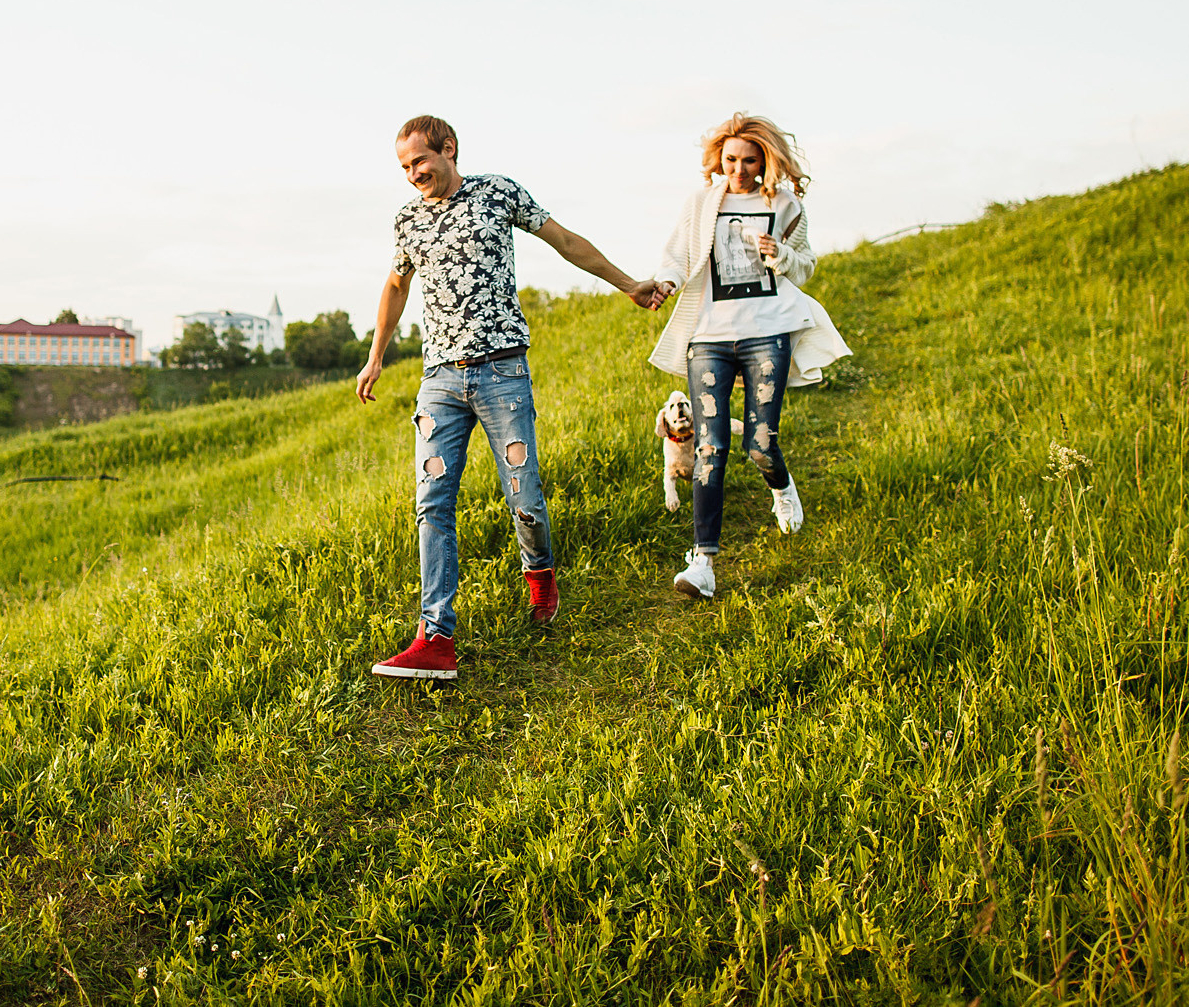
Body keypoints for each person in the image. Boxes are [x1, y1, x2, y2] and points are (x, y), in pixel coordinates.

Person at [357, 115, 662, 680]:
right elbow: (396, 284)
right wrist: (377, 355)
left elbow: (565, 241)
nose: (412, 175)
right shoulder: (406, 221)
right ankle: (436, 635)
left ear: (449, 149)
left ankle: (539, 573)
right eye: (403, 167)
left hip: (502, 374)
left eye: (419, 162)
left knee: (524, 495)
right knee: (432, 504)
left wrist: (629, 284)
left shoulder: (498, 192)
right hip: (439, 380)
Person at [648, 113, 850, 599]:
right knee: (709, 447)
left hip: (767, 333)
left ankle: (782, 489)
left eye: (749, 161)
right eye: (731, 159)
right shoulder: (702, 202)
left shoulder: (784, 204)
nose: (738, 169)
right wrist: (667, 282)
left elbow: (805, 268)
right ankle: (703, 564)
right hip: (709, 338)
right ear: (720, 158)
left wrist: (779, 252)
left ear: (766, 161)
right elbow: (677, 254)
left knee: (759, 443)